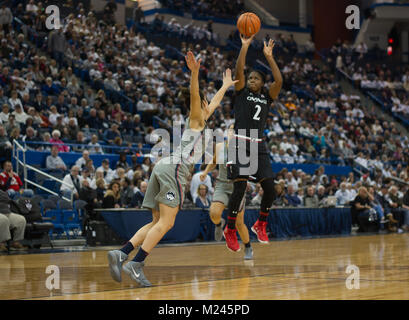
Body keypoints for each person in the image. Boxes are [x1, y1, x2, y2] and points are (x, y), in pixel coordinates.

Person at [107, 51, 237, 287]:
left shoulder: (203, 122)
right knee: (167, 223)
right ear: (203, 104)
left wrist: (226, 85)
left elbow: (213, 102)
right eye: (208, 103)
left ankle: (122, 253)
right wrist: (195, 74)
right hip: (174, 169)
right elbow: (195, 97)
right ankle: (136, 265)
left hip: (162, 167)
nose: (211, 106)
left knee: (157, 221)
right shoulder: (197, 118)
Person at [224, 34, 282, 251]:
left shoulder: (267, 96)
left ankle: (261, 223)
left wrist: (269, 57)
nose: (251, 80)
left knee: (270, 189)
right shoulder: (241, 93)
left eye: (256, 79)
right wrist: (245, 46)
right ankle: (230, 229)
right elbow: (239, 70)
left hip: (258, 144)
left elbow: (279, 81)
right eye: (250, 79)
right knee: (240, 188)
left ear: (262, 83)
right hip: (239, 142)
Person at [200, 124, 253, 259]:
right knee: (214, 213)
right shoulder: (219, 147)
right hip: (222, 185)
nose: (231, 133)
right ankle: (219, 224)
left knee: (239, 223)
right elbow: (213, 161)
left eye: (234, 131)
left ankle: (248, 246)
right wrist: (205, 172)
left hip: (237, 187)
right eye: (230, 130)